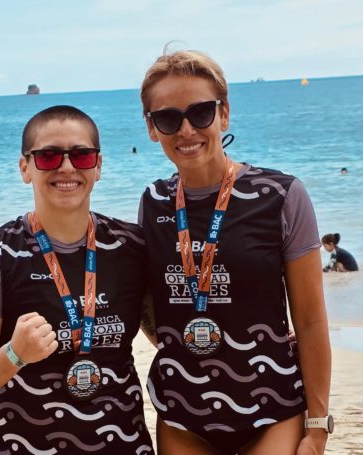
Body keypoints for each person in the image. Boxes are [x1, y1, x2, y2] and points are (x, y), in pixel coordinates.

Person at [137, 50, 332, 455]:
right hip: (181, 413)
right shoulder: (154, 201)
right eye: (169, 118)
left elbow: (311, 321)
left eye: (201, 113)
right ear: (152, 128)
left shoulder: (279, 196)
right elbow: (148, 302)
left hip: (273, 406)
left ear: (224, 114)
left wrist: (317, 427)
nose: (187, 129)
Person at [0, 105, 153, 454]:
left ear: (99, 165)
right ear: (25, 168)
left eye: (81, 155)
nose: (67, 167)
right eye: (48, 156)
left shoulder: (131, 246)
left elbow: (171, 333)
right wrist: (15, 354)